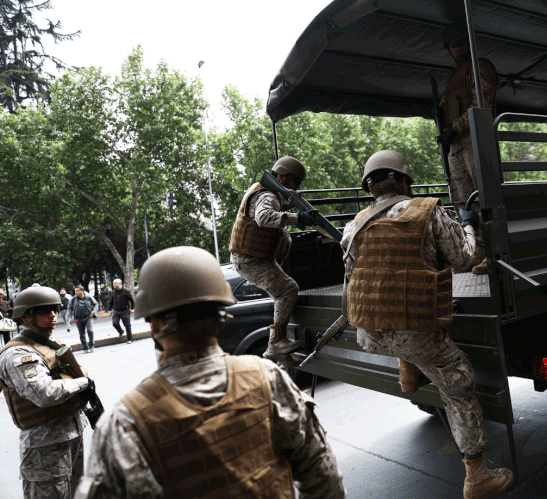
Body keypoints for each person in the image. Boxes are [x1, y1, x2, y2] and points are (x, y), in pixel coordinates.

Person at [74, 246, 346, 499]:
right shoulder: (267, 377)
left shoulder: (126, 421)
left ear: (153, 325)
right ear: (221, 317)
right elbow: (323, 477)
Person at [341, 150, 513, 499]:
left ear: (370, 187)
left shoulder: (353, 224)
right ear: (405, 180)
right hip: (412, 331)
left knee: (407, 338)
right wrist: (467, 223)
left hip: (369, 330)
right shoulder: (428, 211)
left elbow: (355, 275)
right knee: (459, 383)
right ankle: (478, 477)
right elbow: (464, 258)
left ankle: (409, 372)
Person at [0, 286, 95, 499]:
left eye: (55, 309)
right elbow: (44, 393)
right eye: (44, 311)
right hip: (44, 446)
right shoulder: (18, 353)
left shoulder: (53, 343)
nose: (53, 315)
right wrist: (83, 383)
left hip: (71, 434)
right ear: (25, 317)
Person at [229, 156, 318, 362]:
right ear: (281, 176)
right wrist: (299, 218)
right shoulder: (268, 195)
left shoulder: (266, 191)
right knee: (287, 289)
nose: (296, 186)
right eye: (295, 181)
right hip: (250, 260)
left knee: (283, 289)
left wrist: (288, 206)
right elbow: (264, 217)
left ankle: (280, 349)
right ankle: (275, 343)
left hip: (255, 257)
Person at [437, 21, 499, 275]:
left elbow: (481, 102)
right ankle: (475, 251)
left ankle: (495, 253)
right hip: (456, 146)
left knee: (484, 196)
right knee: (463, 201)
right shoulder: (453, 77)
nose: (459, 48)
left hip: (475, 138)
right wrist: (446, 134)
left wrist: (456, 127)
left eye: (462, 42)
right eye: (453, 45)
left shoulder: (478, 66)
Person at [68, 286, 98, 353]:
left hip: (88, 317)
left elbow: (96, 304)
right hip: (78, 319)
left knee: (90, 331)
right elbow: (69, 308)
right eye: (75, 291)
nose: (76, 292)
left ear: (82, 291)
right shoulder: (73, 299)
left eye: (77, 291)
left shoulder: (88, 297)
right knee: (82, 334)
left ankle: (91, 345)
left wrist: (93, 311)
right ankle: (85, 347)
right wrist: (69, 318)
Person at [108, 279, 134, 344]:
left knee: (127, 325)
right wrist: (109, 310)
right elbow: (111, 302)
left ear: (119, 283)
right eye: (113, 283)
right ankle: (121, 332)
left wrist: (132, 308)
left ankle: (130, 339)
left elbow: (132, 300)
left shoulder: (126, 291)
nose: (113, 285)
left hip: (125, 310)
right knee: (115, 323)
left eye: (115, 283)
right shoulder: (113, 292)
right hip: (116, 311)